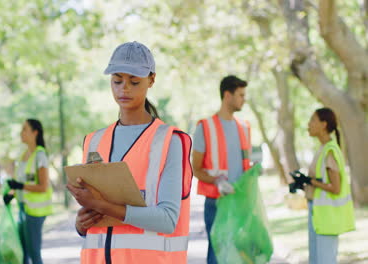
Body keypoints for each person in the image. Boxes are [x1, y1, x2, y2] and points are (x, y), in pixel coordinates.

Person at [66, 41, 193, 264]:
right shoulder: (94, 141)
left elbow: (168, 219)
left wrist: (101, 205)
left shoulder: (169, 141)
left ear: (151, 80)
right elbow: (97, 225)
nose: (124, 88)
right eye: (117, 80)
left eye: (134, 81)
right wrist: (81, 225)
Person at [192, 75, 252, 264]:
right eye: (240, 95)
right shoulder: (205, 127)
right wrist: (217, 181)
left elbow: (244, 164)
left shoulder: (244, 127)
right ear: (227, 95)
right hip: (217, 203)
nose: (244, 99)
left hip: (240, 201)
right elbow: (196, 169)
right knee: (217, 254)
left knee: (240, 255)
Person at [301, 107, 355, 264]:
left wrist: (311, 182)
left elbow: (335, 188)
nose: (308, 124)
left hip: (327, 217)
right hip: (318, 214)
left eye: (312, 120)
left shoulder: (330, 151)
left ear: (323, 124)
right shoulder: (323, 149)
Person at [4, 119, 53, 264]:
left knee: (34, 253)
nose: (21, 133)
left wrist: (20, 186)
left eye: (25, 129)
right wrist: (11, 193)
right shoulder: (24, 155)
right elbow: (22, 182)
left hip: (35, 212)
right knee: (23, 253)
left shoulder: (40, 156)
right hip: (23, 209)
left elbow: (43, 186)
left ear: (35, 133)